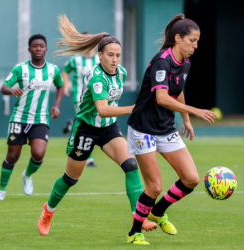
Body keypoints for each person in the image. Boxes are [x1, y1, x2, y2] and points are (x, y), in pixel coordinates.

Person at [37, 14, 157, 236]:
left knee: (130, 165)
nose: (114, 59)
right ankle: (48, 211)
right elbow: (102, 109)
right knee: (71, 179)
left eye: (118, 55)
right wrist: (135, 108)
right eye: (110, 55)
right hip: (86, 129)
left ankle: (138, 218)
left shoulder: (121, 72)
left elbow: (109, 110)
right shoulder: (96, 77)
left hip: (108, 128)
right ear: (99, 55)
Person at [126, 14, 217, 245]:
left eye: (197, 41)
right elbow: (162, 97)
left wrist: (186, 118)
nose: (196, 46)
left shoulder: (185, 63)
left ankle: (157, 212)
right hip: (143, 129)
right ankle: (135, 232)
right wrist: (195, 110)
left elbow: (177, 90)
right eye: (192, 40)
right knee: (154, 186)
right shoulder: (162, 61)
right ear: (178, 38)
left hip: (165, 128)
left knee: (191, 179)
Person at [0, 34, 64, 201]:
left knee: (38, 154)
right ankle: (1, 190)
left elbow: (60, 86)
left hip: (40, 119)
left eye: (41, 46)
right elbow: (4, 87)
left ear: (46, 49)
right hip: (19, 118)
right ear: (29, 49)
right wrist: (11, 90)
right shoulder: (21, 69)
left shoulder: (53, 69)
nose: (38, 48)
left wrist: (56, 106)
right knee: (13, 156)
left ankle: (27, 175)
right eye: (34, 46)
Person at [61, 33, 99, 167]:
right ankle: (88, 158)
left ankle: (71, 124)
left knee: (91, 122)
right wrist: (66, 85)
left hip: (96, 99)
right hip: (79, 98)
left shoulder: (100, 59)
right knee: (88, 124)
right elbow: (65, 71)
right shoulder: (75, 60)